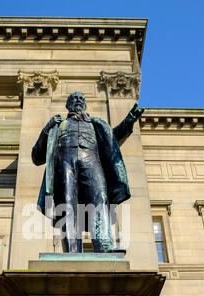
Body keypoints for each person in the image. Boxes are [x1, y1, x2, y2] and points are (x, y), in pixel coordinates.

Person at [32, 91, 144, 253]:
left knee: (99, 200)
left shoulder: (95, 124)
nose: (78, 100)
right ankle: (71, 251)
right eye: (74, 98)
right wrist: (46, 129)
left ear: (85, 104)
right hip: (65, 163)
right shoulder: (57, 125)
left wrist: (128, 123)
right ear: (67, 105)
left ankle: (104, 246)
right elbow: (37, 157)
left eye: (81, 99)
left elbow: (112, 141)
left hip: (92, 161)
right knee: (67, 205)